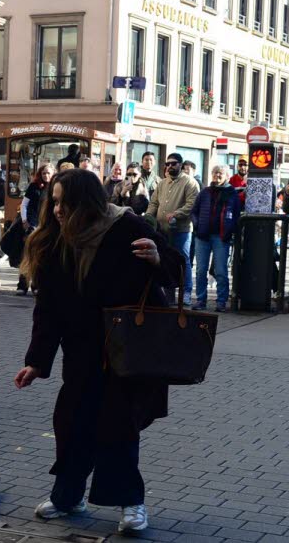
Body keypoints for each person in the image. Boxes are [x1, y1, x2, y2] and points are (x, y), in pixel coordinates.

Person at [15, 169, 183, 536]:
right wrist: (36, 361)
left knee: (118, 428)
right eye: (54, 202)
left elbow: (176, 268)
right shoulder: (55, 240)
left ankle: (132, 503)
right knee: (71, 424)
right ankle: (67, 497)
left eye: (65, 203)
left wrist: (157, 258)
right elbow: (49, 309)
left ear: (86, 202)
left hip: (127, 352)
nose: (57, 210)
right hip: (81, 353)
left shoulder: (127, 226)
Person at [145, 153, 199, 298]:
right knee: (166, 260)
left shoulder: (190, 182)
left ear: (180, 165)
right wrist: (148, 217)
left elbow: (191, 205)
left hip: (181, 230)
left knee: (183, 260)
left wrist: (176, 214)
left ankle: (186, 292)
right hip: (162, 230)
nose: (169, 166)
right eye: (167, 164)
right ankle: (169, 294)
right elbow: (154, 203)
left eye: (173, 163)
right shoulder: (162, 183)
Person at [189, 165, 240, 312]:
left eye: (221, 173)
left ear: (226, 176)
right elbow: (194, 211)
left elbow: (237, 215)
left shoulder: (231, 193)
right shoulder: (204, 192)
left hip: (221, 237)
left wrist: (230, 230)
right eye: (215, 172)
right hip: (202, 236)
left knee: (221, 271)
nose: (217, 175)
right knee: (200, 270)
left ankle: (221, 301)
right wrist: (197, 224)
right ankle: (200, 300)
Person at [17, 164, 54, 296]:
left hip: (47, 226)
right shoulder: (34, 186)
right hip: (32, 225)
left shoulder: (55, 187)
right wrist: (24, 221)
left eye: (49, 173)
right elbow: (24, 205)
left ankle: (36, 285)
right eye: (44, 173)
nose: (46, 176)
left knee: (42, 258)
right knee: (27, 256)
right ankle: (22, 285)